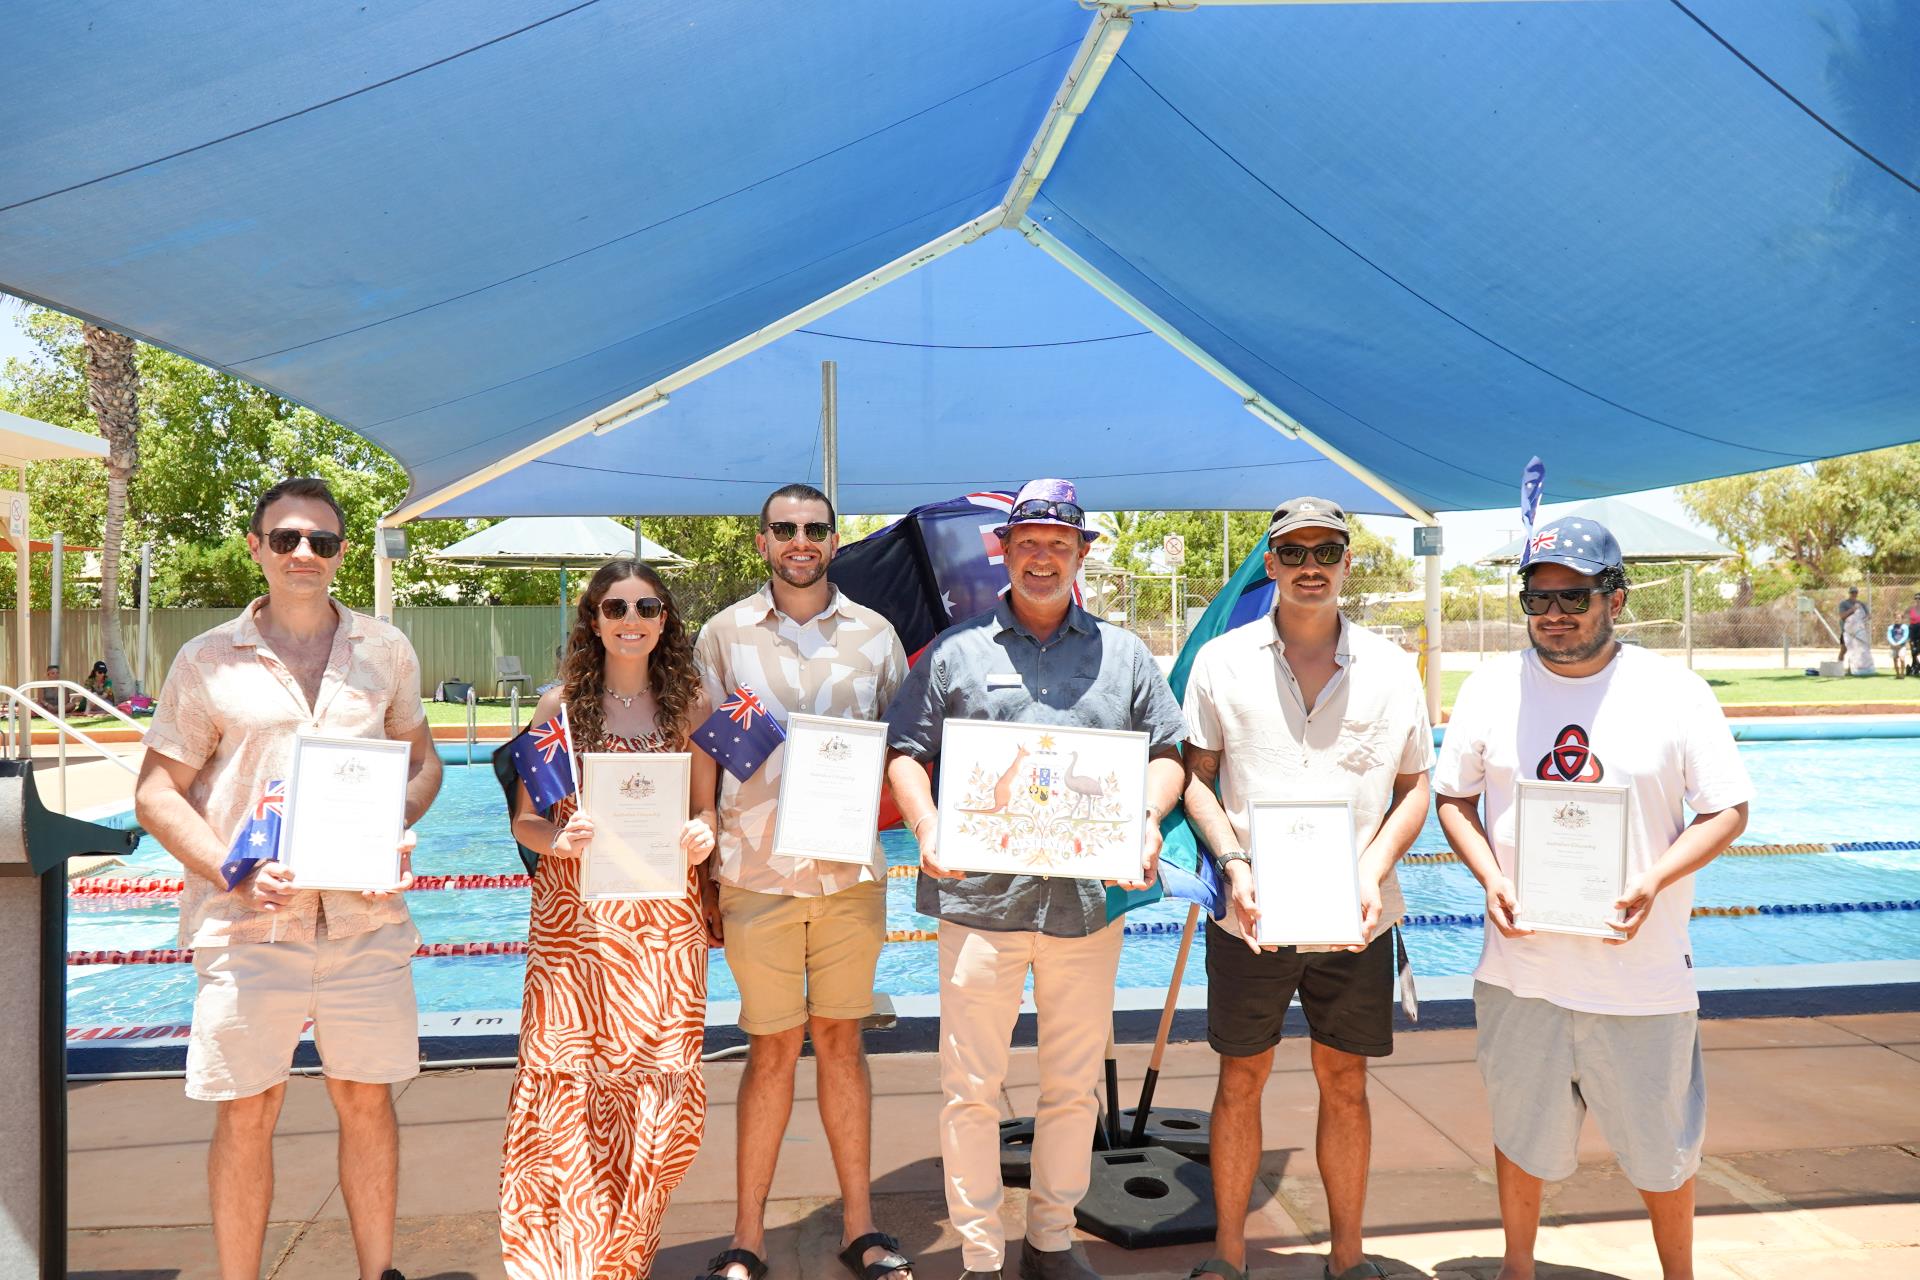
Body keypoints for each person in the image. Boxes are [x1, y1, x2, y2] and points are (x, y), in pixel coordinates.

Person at [133, 477, 442, 1280]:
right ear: (257, 549)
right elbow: (156, 792)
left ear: (341, 553)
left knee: (366, 1101)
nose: (305, 554)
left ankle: (380, 1274)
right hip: (247, 926)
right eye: (286, 539)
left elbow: (424, 763)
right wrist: (230, 871)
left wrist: (394, 826)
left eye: (323, 541)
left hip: (363, 922)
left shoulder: (386, 651)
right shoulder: (205, 661)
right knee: (248, 1109)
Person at [1432, 516, 1751, 1280]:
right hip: (1522, 971)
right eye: (1538, 599)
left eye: (1575, 596)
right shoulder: (1490, 687)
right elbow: (1453, 800)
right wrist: (1490, 876)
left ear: (1617, 598)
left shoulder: (1674, 692)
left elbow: (1728, 808)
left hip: (1639, 977)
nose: (1555, 615)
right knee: (1520, 1131)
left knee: (1662, 1148)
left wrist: (1654, 880)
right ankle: (1517, 1268)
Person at [885, 478, 1186, 1280]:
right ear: (1005, 554)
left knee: (1072, 1085)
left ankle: (1051, 1239)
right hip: (980, 903)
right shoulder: (957, 653)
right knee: (971, 1088)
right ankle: (981, 1255)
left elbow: (1168, 753)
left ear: (1081, 554)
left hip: (1087, 906)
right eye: (1028, 544)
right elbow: (906, 754)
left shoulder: (1124, 654)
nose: (1043, 557)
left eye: (1059, 544)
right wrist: (927, 823)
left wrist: (1149, 817)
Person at [1179, 498, 1433, 1280]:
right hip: (1250, 915)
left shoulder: (1393, 669)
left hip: (1356, 916)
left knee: (1345, 1082)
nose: (1311, 564)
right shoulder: (1222, 663)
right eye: (1293, 552)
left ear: (1348, 561)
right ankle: (1227, 1256)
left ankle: (1348, 1259)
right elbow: (1197, 779)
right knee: (1240, 1079)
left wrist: (1371, 867)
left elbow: (1416, 786)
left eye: (1327, 549)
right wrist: (1233, 863)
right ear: (1272, 564)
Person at [693, 483, 913, 1280]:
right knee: (772, 1050)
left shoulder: (877, 636)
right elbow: (702, 752)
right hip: (755, 870)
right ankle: (746, 1236)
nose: (799, 541)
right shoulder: (724, 636)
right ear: (762, 541)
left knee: (842, 1044)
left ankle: (861, 1227)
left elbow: (905, 751)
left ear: (832, 540)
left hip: (849, 873)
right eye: (784, 529)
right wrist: (704, 865)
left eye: (814, 529)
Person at [499, 557, 720, 1280]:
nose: (632, 622)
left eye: (648, 608)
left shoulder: (691, 707)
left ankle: (626, 1257)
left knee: (656, 1093)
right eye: (617, 608)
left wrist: (704, 834)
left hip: (662, 931)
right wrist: (556, 839)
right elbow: (527, 823)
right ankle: (569, 1261)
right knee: (572, 1088)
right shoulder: (557, 710)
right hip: (577, 930)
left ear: (666, 622)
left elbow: (706, 809)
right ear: (593, 621)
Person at [1841, 586, 1874, 675]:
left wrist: (1863, 621)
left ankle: (1852, 669)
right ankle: (1839, 669)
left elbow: (1868, 616)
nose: (1854, 594)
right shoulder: (1844, 604)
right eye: (1852, 593)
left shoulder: (1861, 604)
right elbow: (1842, 616)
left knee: (1858, 650)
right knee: (1844, 650)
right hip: (1847, 632)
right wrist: (1852, 610)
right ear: (1849, 593)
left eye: (1855, 593)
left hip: (1858, 632)